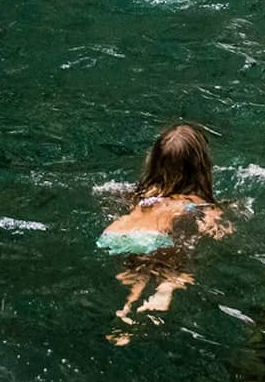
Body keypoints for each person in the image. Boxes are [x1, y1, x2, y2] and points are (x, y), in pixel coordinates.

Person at [98, 123, 230, 342]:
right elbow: (214, 228)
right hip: (157, 237)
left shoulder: (142, 193)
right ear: (201, 167)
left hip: (120, 233)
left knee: (139, 271)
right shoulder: (198, 203)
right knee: (176, 267)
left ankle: (127, 305)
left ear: (153, 160)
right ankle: (165, 290)